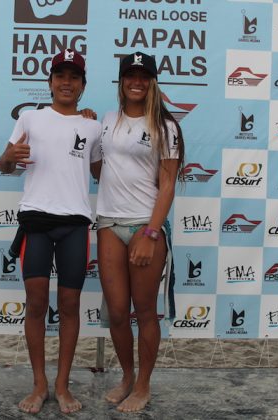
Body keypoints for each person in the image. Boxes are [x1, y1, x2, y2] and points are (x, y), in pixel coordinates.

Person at [0, 48, 102, 414]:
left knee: (70, 306)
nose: (66, 83)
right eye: (60, 76)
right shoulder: (30, 117)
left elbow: (101, 174)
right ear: (50, 82)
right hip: (36, 223)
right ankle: (39, 384)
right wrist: (9, 159)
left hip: (75, 223)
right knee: (37, 305)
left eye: (74, 77)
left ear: (83, 85)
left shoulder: (93, 126)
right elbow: (5, 165)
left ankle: (62, 385)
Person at [94, 51, 184, 412]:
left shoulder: (166, 126)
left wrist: (151, 232)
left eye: (143, 76)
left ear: (152, 82)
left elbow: (167, 185)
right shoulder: (107, 119)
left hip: (145, 227)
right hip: (108, 224)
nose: (136, 81)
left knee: (144, 311)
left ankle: (144, 385)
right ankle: (127, 378)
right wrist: (85, 123)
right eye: (130, 75)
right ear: (121, 81)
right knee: (117, 312)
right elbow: (98, 169)